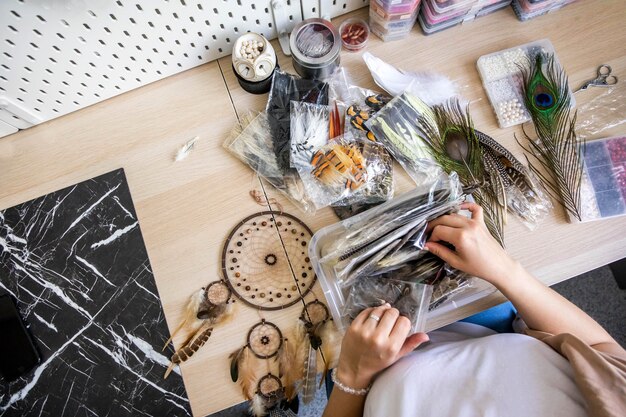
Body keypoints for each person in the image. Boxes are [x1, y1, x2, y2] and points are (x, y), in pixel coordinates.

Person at [322, 202, 626, 417]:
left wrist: (352, 375)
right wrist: (505, 270)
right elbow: (602, 350)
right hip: (483, 325)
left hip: (363, 375)